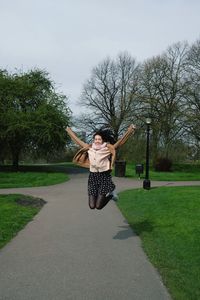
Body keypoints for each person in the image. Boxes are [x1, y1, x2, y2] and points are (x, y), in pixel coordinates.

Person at [66, 124, 136, 210]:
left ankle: (110, 195)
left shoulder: (108, 148)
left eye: (99, 139)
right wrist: (69, 131)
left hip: (104, 177)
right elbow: (77, 141)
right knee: (92, 206)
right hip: (93, 177)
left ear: (103, 140)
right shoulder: (89, 148)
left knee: (98, 206)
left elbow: (121, 142)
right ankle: (110, 193)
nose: (97, 141)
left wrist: (130, 130)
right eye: (95, 139)